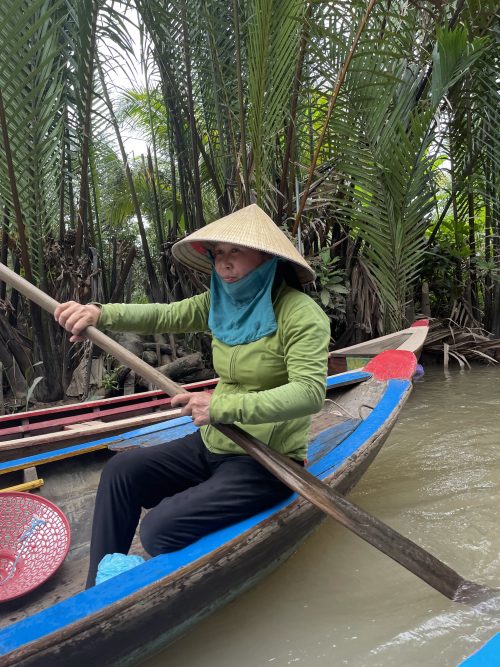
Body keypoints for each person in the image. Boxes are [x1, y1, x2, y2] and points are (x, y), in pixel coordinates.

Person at [54, 204, 331, 587]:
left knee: (157, 531)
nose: (224, 263)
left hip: (266, 459)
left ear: (267, 257)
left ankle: (181, 581)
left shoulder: (300, 314)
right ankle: (99, 589)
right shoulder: (220, 303)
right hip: (214, 440)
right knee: (121, 472)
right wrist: (99, 313)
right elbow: (163, 315)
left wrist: (220, 406)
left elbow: (309, 394)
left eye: (235, 252)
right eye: (218, 253)